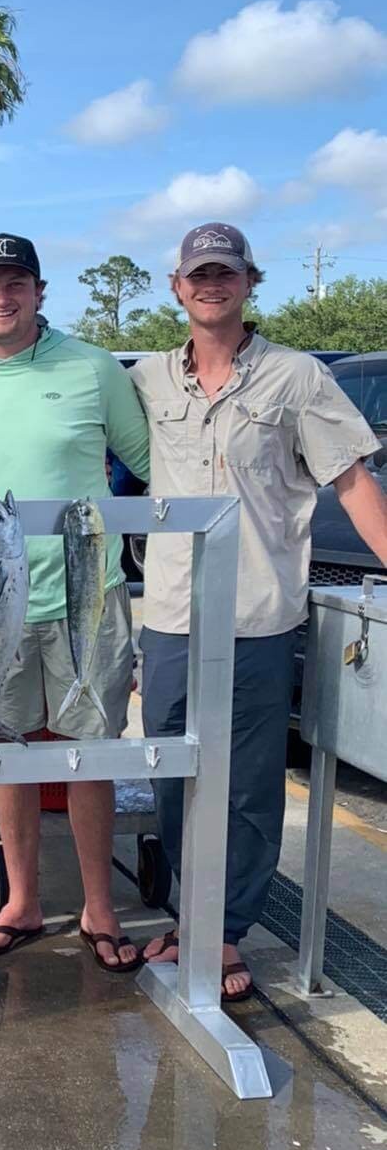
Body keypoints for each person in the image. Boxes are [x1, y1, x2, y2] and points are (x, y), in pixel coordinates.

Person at [131, 223, 387, 999]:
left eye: (227, 273)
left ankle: (228, 929)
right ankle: (188, 913)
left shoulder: (298, 377)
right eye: (199, 273)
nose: (212, 284)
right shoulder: (145, 379)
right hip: (173, 613)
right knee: (173, 771)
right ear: (177, 287)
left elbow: (350, 481)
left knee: (247, 784)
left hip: (259, 617)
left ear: (249, 283)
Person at [0, 233, 150, 970]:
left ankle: (99, 905)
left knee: (90, 754)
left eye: (16, 283)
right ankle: (20, 898)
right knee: (6, 749)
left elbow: (152, 466)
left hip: (88, 597)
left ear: (39, 290)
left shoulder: (94, 369)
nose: (2, 298)